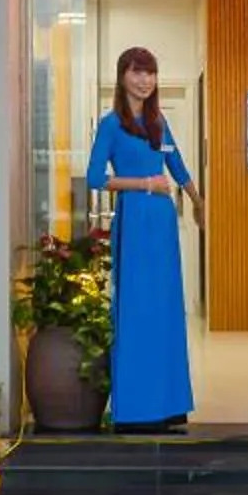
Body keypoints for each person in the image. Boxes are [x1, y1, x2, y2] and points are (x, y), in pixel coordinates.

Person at [86, 46, 200, 431]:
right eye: (137, 72)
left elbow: (178, 165)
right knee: (136, 311)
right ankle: (136, 409)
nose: (145, 80)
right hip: (134, 218)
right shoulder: (110, 125)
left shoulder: (158, 122)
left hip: (163, 223)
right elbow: (95, 178)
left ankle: (170, 404)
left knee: (166, 309)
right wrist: (145, 184)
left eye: (150, 73)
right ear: (122, 77)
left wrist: (199, 201)